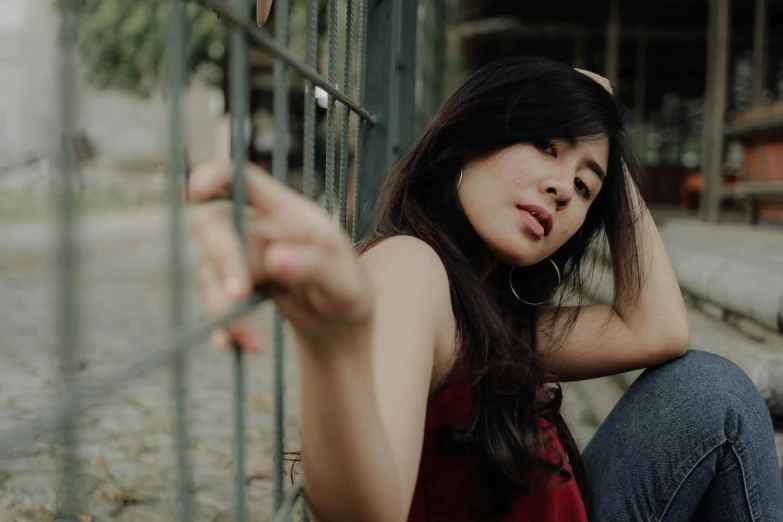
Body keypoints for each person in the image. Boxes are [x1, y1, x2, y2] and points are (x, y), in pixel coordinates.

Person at [187, 57, 783, 521]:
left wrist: (603, 135)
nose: (561, 188)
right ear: (470, 137)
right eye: (546, 146)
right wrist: (331, 340)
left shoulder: (495, 317)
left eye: (583, 187)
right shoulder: (410, 268)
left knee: (708, 387)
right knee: (716, 392)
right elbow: (368, 511)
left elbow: (658, 329)